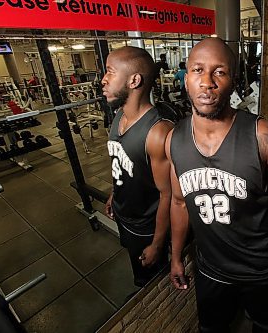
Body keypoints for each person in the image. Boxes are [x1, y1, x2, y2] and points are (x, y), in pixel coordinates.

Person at [166, 38, 268, 332]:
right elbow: (179, 203)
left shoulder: (264, 136)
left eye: (220, 72)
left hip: (264, 271)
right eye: (197, 70)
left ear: (233, 81)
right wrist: (176, 256)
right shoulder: (173, 140)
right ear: (186, 78)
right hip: (212, 271)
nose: (207, 82)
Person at [102, 46, 173, 288]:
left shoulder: (157, 132)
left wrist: (156, 243)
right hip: (124, 215)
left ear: (134, 80)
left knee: (151, 282)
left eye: (110, 72)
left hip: (146, 228)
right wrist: (115, 194)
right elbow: (125, 165)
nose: (103, 80)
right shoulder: (119, 116)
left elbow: (168, 195)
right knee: (136, 268)